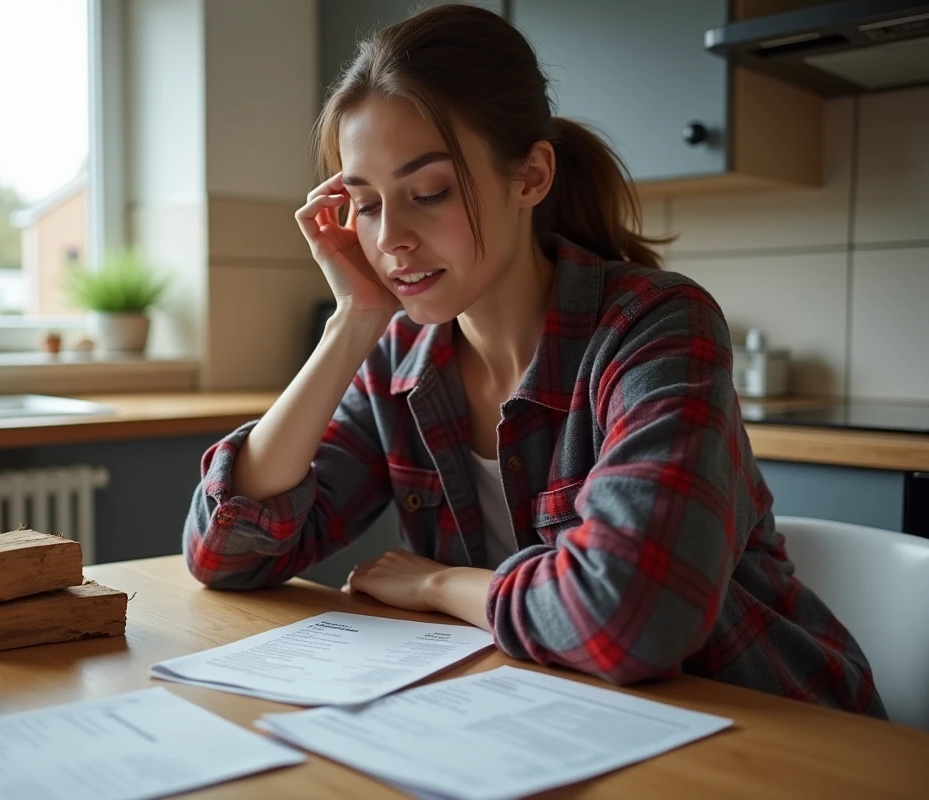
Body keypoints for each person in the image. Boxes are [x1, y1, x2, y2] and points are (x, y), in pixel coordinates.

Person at [182, 3, 885, 718]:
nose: (390, 238)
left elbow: (633, 621)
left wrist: (438, 584)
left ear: (530, 177)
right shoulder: (400, 360)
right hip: (560, 717)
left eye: (428, 193)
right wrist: (352, 322)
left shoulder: (655, 325)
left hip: (772, 726)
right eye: (365, 205)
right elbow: (223, 554)